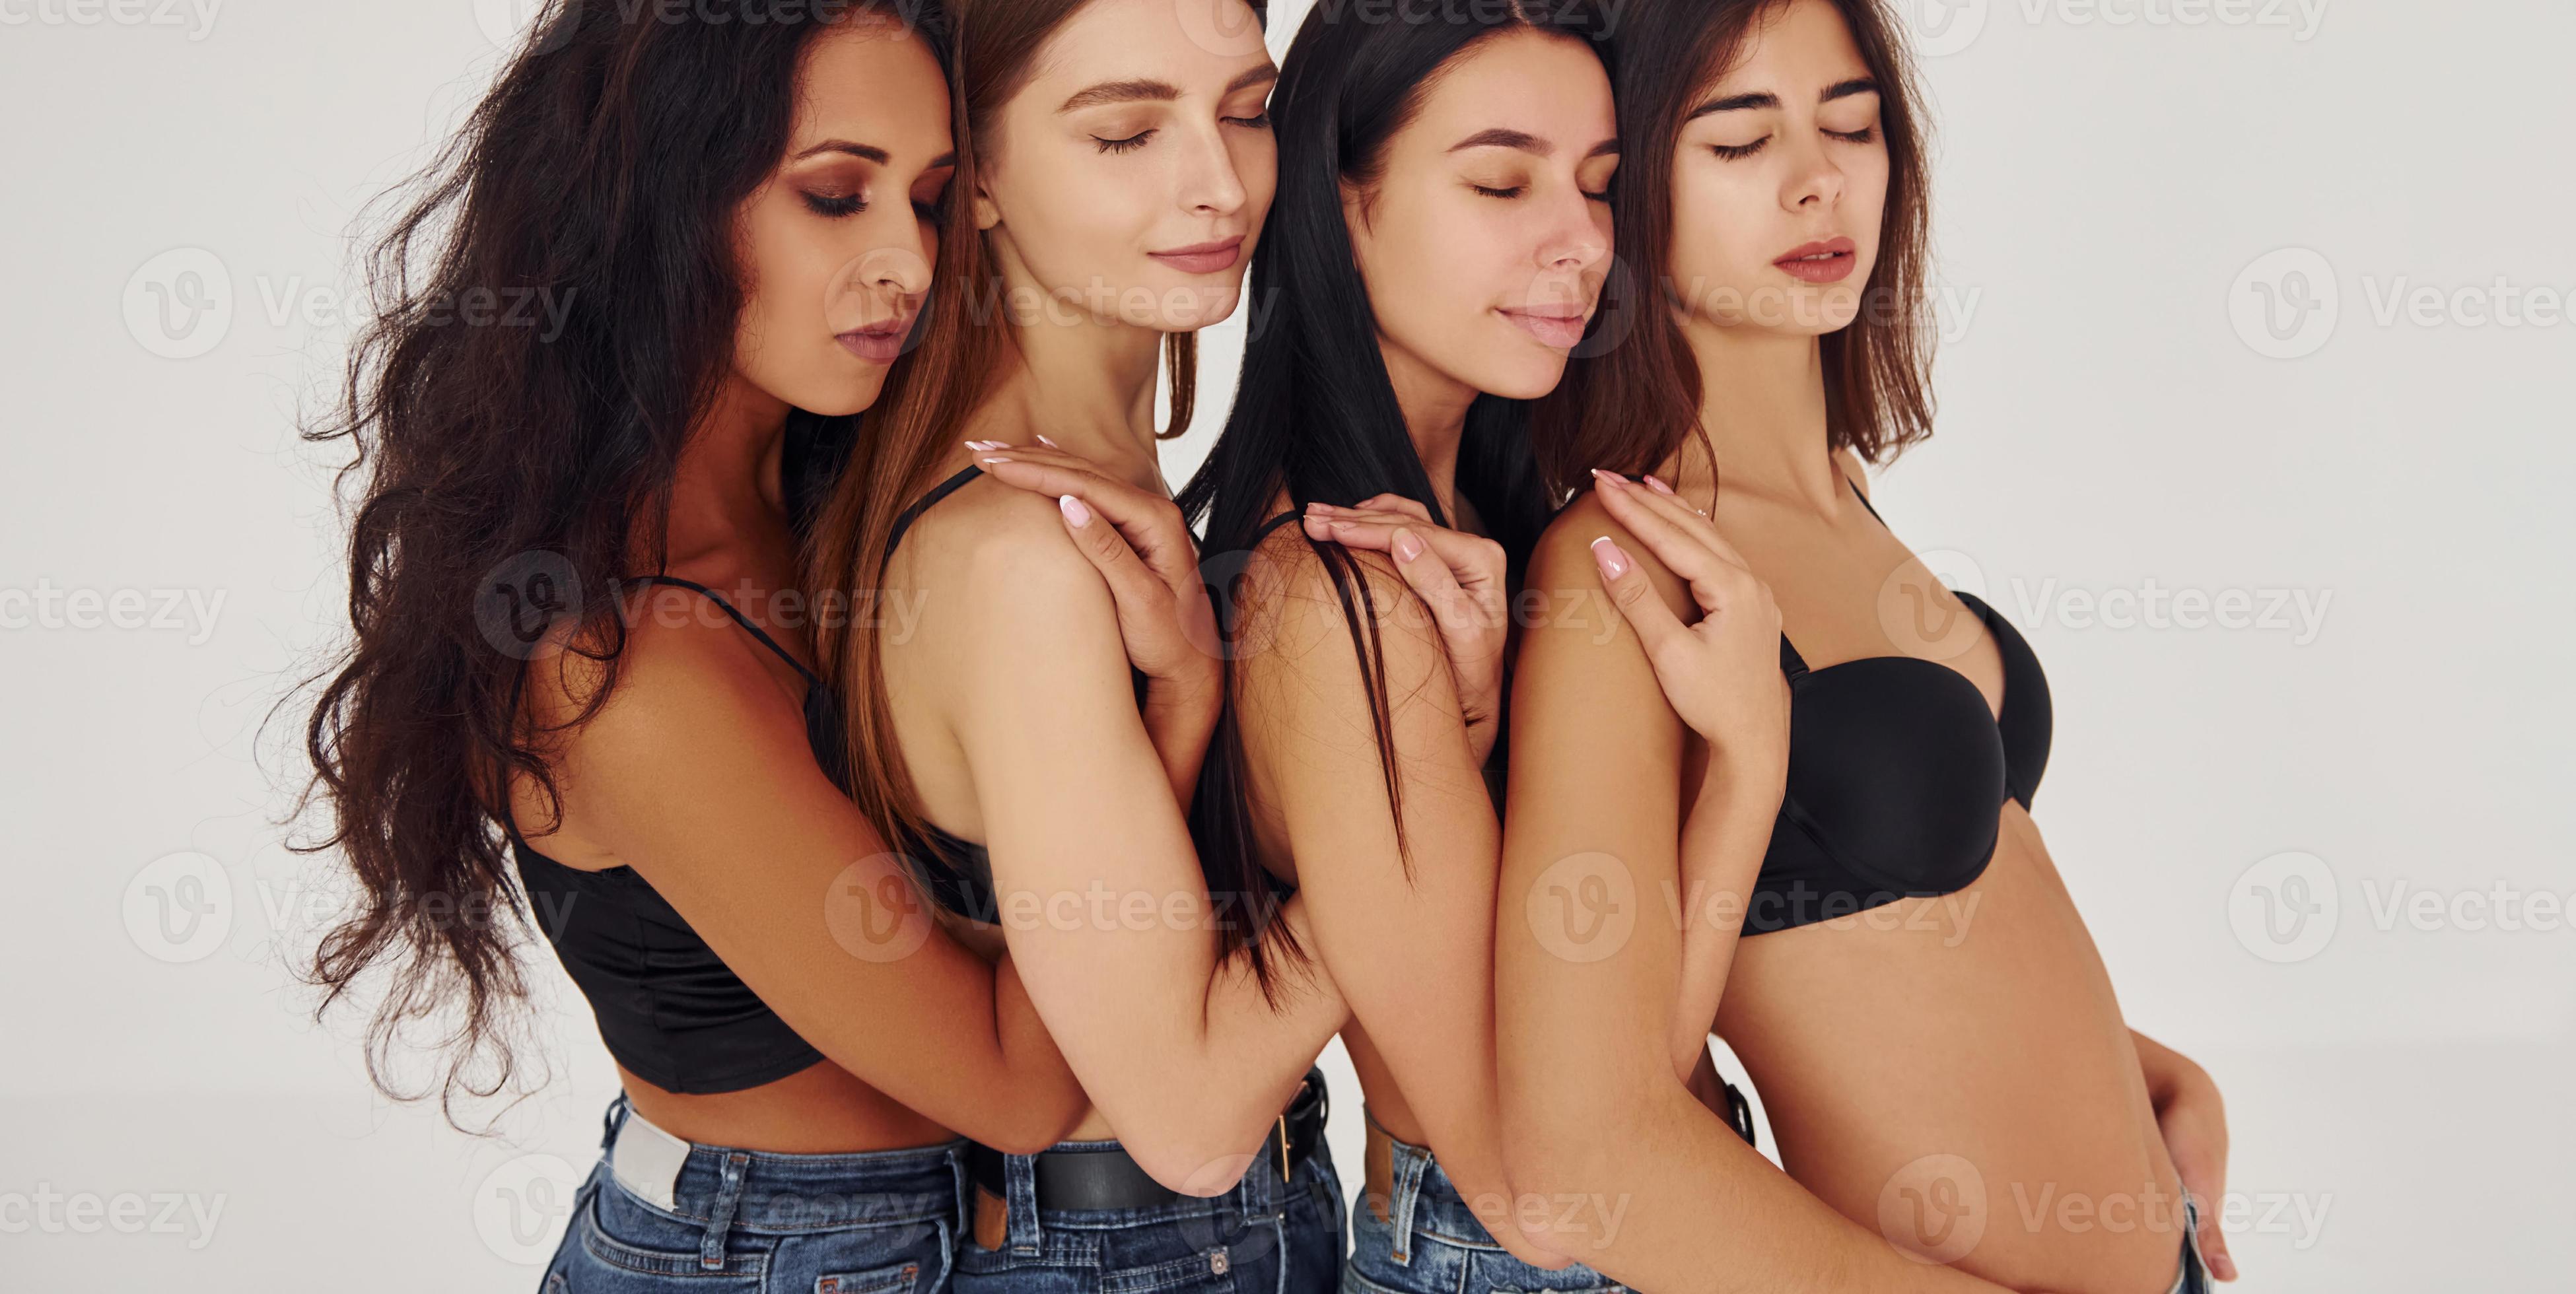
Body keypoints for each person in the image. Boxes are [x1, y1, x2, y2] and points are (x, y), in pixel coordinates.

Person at [1497, 1, 2232, 1291]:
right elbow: (1586, 1151)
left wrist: (2136, 1065)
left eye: (1852, 124)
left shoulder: (1841, 501)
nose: (1817, 178)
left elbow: (1878, 944)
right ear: (1628, 191)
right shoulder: (1621, 572)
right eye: (1739, 143)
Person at [802, 1, 1350, 1289]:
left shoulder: (1089, 471)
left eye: (1245, 112)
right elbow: (1195, 1117)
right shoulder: (1025, 559)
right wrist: (1430, 817)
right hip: (1144, 1244)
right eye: (1124, 134)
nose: (1217, 185)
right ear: (974, 173)